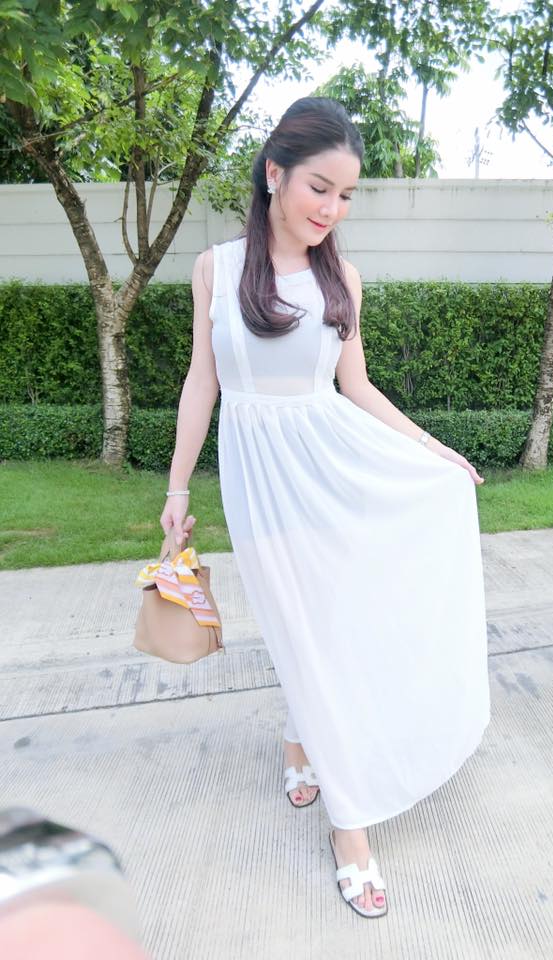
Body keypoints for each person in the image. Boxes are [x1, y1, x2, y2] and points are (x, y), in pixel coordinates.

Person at [161, 96, 491, 919]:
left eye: (346, 195)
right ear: (274, 173)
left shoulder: (342, 278)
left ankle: (347, 820)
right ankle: (306, 745)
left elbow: (358, 386)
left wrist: (436, 451)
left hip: (333, 468)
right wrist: (176, 490)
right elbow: (202, 381)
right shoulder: (216, 268)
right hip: (258, 476)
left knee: (332, 635)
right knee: (296, 629)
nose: (331, 209)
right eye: (320, 187)